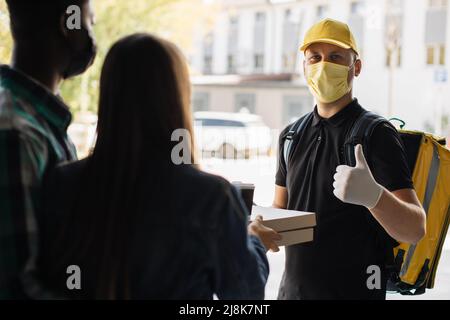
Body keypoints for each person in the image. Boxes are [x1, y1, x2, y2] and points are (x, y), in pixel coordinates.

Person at [36, 33, 280, 300]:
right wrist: (255, 241)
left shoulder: (62, 183)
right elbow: (244, 296)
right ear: (178, 95)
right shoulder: (210, 197)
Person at [273, 19, 426, 300]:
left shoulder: (375, 134)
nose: (323, 66)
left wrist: (374, 196)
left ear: (356, 67)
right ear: (304, 67)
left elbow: (415, 228)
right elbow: (280, 215)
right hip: (291, 294)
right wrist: (254, 225)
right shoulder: (290, 136)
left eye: (335, 58)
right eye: (314, 58)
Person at [0, 0, 96, 299]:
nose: (92, 36)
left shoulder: (39, 121)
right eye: (89, 22)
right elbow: (18, 289)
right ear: (68, 25)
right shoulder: (16, 133)